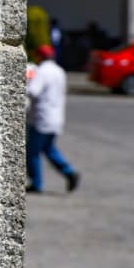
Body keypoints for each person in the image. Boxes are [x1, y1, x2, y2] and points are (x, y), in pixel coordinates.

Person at [26, 44, 80, 194]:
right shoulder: (59, 71)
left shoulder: (42, 72)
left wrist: (27, 81)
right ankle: (69, 172)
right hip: (56, 118)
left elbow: (33, 91)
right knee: (49, 149)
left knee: (32, 152)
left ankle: (37, 183)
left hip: (41, 118)